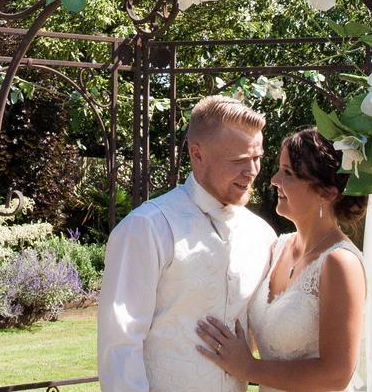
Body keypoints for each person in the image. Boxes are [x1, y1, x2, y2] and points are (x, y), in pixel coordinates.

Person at [194, 127, 372, 391]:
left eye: (288, 173)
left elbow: (336, 374)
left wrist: (250, 368)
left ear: (327, 192)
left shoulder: (340, 263)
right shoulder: (277, 248)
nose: (274, 180)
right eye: (280, 169)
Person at [97, 95, 277, 391]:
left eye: (257, 158)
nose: (253, 171)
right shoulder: (147, 228)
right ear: (198, 154)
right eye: (240, 161)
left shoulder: (262, 235)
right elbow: (120, 343)